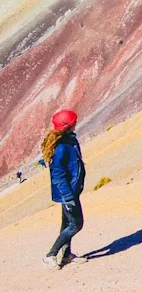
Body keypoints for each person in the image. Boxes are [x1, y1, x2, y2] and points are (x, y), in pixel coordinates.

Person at [42, 109, 86, 270]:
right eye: (74, 121)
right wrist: (68, 197)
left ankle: (66, 255)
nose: (76, 123)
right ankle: (50, 255)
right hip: (67, 193)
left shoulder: (69, 140)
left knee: (67, 224)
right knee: (76, 224)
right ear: (68, 126)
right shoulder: (61, 148)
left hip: (72, 190)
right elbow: (58, 175)